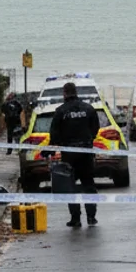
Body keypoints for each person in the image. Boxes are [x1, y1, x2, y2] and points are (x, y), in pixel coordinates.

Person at [49, 82, 100, 228]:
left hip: (69, 153)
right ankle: (91, 217)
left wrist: (55, 146)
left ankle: (75, 218)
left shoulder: (61, 111)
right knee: (88, 184)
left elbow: (54, 133)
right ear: (76, 92)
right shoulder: (88, 108)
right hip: (85, 152)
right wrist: (88, 140)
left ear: (64, 93)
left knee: (70, 186)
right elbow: (95, 128)